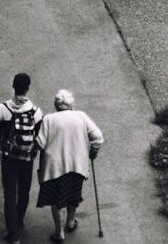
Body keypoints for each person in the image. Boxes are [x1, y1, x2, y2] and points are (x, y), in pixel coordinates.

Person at [36, 89, 103, 243]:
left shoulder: (49, 119)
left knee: (57, 200)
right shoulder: (81, 116)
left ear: (55, 104)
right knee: (73, 194)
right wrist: (93, 151)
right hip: (77, 165)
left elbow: (39, 144)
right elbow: (98, 138)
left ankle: (59, 233)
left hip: (55, 168)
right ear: (71, 104)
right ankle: (71, 223)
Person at [0, 73, 43, 244]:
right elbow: (39, 137)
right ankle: (19, 220)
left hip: (9, 157)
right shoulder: (36, 112)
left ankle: (13, 234)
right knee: (23, 191)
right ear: (28, 88)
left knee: (10, 194)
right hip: (27, 158)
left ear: (13, 86)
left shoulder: (3, 109)